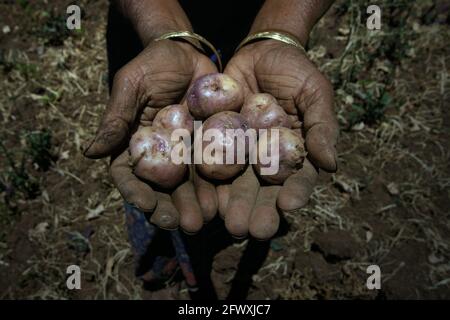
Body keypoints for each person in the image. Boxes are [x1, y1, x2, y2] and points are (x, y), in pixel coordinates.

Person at [84, 0, 339, 299]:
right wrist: (166, 32)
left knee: (219, 210)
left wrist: (279, 31)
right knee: (149, 173)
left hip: (255, 43)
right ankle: (167, 262)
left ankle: (214, 244)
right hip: (149, 35)